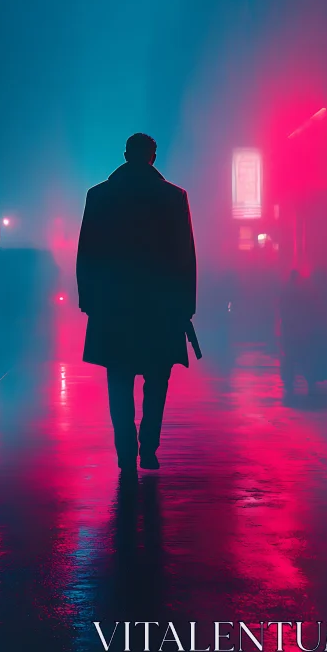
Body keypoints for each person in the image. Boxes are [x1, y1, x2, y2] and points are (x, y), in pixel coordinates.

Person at [76, 133, 197, 472]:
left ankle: (126, 452)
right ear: (153, 158)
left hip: (114, 308)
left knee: (119, 381)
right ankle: (149, 447)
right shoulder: (174, 198)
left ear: (126, 154)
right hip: (161, 308)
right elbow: (184, 257)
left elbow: (87, 253)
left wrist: (89, 300)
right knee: (157, 381)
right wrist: (186, 306)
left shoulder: (99, 196)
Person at [279, 269, 320, 393]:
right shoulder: (303, 293)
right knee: (304, 357)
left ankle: (289, 381)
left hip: (290, 330)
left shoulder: (286, 292)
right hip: (300, 331)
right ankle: (310, 380)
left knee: (290, 358)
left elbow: (283, 312)